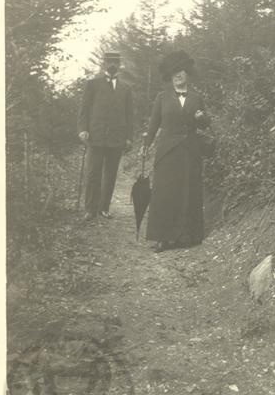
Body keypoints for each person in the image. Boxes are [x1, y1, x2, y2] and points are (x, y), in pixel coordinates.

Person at [143, 50, 210, 252]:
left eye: (181, 72)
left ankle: (187, 236)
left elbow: (207, 124)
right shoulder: (162, 97)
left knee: (188, 192)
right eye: (174, 73)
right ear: (170, 76)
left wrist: (201, 118)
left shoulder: (197, 98)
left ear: (187, 73)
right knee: (164, 193)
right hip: (167, 151)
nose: (178, 76)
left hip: (190, 151)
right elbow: (154, 124)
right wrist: (146, 144)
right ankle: (162, 237)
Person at [77, 51, 133, 221]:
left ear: (119, 65)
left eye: (115, 62)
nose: (112, 65)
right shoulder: (92, 84)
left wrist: (129, 137)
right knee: (93, 173)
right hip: (96, 135)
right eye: (109, 61)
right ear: (104, 64)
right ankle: (90, 209)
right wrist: (83, 129)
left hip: (116, 138)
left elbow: (129, 115)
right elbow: (84, 110)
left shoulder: (126, 88)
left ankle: (104, 208)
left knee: (110, 174)